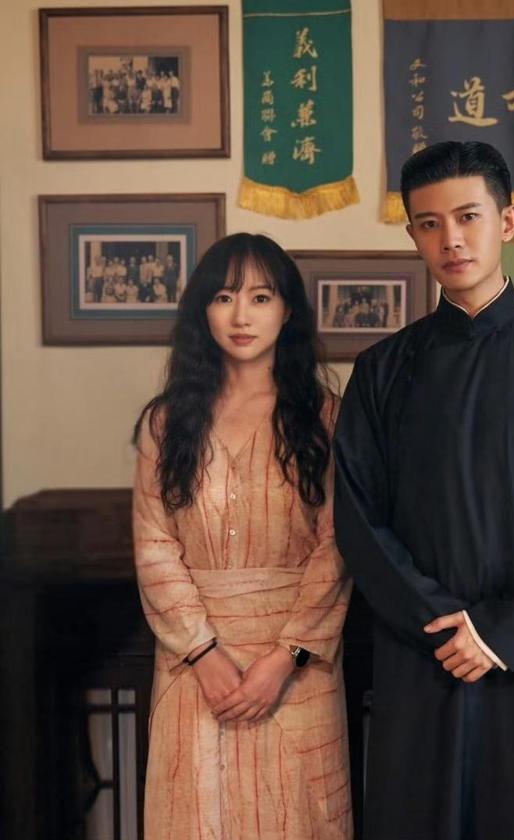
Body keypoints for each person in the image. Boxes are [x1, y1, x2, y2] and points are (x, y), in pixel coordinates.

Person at [333, 140, 514, 840]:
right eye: (429, 224)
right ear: (413, 235)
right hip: (421, 650)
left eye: (468, 217)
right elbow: (357, 515)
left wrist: (499, 631)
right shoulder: (382, 369)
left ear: (508, 221)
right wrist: (438, 623)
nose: (452, 239)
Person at [132, 233, 352, 840]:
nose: (240, 316)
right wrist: (202, 654)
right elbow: (155, 546)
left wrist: (285, 658)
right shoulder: (166, 423)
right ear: (202, 311)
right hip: (192, 669)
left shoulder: (327, 419)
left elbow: (338, 547)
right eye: (224, 297)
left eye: (260, 297)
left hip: (298, 669)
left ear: (287, 311)